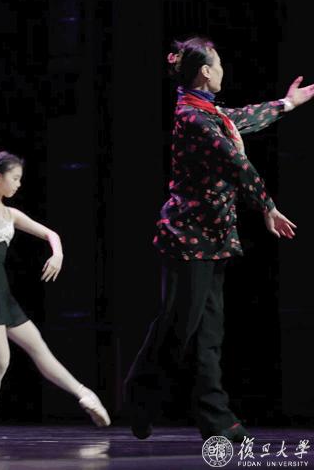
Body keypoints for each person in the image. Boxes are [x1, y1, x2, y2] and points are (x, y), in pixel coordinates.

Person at [124, 37, 311, 442]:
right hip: (188, 239)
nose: (224, 70)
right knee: (178, 328)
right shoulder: (192, 117)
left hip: (214, 238)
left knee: (208, 334)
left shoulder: (209, 112)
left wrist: (287, 103)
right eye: (219, 64)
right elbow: (236, 162)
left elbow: (241, 118)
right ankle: (139, 396)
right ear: (206, 71)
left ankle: (217, 419)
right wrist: (267, 207)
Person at [0, 151, 110, 433]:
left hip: (1, 290)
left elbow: (51, 234)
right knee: (1, 360)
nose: (18, 184)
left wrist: (57, 254)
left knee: (39, 350)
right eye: (15, 178)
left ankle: (86, 394)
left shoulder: (11, 214)